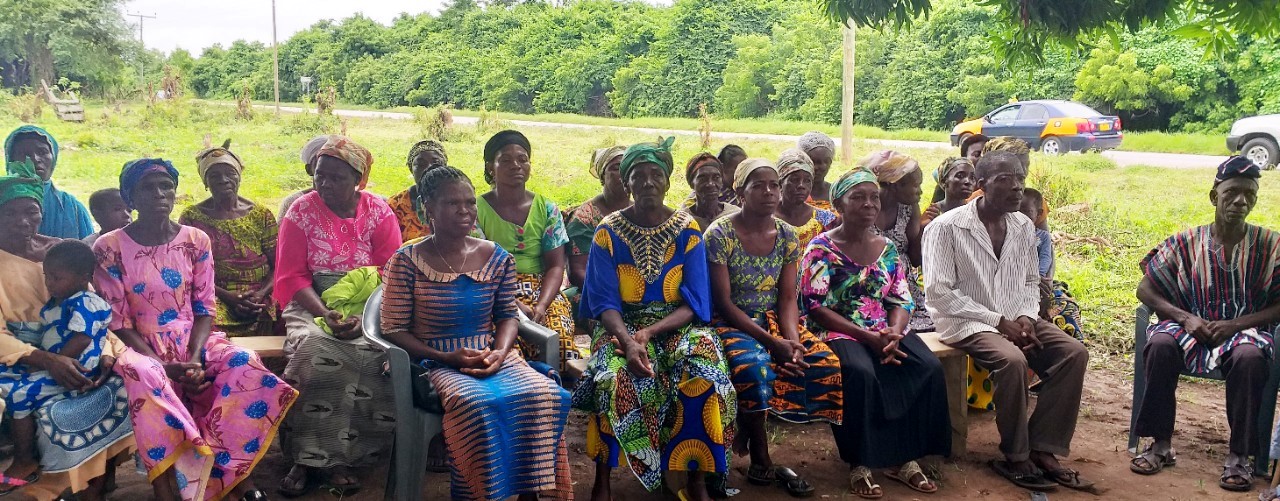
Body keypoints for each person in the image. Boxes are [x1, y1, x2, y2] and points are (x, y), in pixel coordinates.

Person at [94, 158, 296, 501]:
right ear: (130, 198)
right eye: (148, 187)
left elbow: (204, 308)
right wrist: (162, 363)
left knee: (244, 362)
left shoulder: (195, 239)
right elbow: (119, 321)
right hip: (136, 342)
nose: (159, 194)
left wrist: (194, 357)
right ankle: (166, 486)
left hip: (193, 339)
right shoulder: (110, 247)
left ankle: (229, 471)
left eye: (166, 186)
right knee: (147, 375)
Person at [381, 166, 573, 500]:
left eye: (470, 203)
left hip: (491, 353)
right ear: (428, 208)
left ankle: (530, 494)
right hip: (436, 362)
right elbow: (394, 328)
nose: (465, 211)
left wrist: (500, 352)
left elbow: (507, 315)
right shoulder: (407, 261)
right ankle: (483, 493)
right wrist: (444, 356)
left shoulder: (497, 257)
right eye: (452, 203)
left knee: (545, 394)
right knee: (475, 403)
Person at [574, 137, 736, 501]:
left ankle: (695, 478)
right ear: (625, 182)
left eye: (655, 175)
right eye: (638, 176)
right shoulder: (607, 232)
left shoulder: (687, 230)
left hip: (676, 324)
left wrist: (649, 332)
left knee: (704, 375)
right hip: (619, 327)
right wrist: (630, 341)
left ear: (667, 181)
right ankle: (603, 480)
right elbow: (603, 301)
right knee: (615, 378)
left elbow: (694, 303)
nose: (647, 182)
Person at [922, 151, 1091, 492]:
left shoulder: (1023, 225)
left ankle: (1044, 447)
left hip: (1015, 316)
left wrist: (1027, 317)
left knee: (1073, 353)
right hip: (964, 320)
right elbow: (940, 293)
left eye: (1020, 179)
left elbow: (1031, 281)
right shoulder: (946, 227)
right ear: (982, 186)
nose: (1017, 188)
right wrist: (998, 321)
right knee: (1012, 360)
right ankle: (1016, 454)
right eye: (1005, 180)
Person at [1130, 156, 1280, 493]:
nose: (1240, 201)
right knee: (1160, 345)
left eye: (1249, 194)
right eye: (1232, 193)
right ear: (1215, 196)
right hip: (1189, 324)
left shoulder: (1271, 246)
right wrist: (1184, 317)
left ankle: (1239, 456)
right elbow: (1145, 288)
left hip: (1245, 330)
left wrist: (1235, 324)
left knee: (1250, 358)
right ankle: (1160, 444)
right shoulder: (1186, 242)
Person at [801, 169, 950, 499]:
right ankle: (861, 463)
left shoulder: (887, 248)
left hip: (884, 327)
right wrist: (867, 337)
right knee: (860, 372)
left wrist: (895, 333)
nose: (868, 203)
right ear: (839, 204)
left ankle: (905, 459)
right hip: (838, 327)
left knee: (925, 367)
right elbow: (814, 305)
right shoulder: (821, 248)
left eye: (873, 197)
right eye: (858, 197)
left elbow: (900, 297)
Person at [273, 136, 401, 496]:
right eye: (319, 175)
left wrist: (365, 316)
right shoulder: (300, 212)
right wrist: (326, 313)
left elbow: (389, 272)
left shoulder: (378, 212)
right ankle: (305, 457)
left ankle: (347, 457)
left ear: (358, 180)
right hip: (312, 299)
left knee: (376, 354)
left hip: (368, 302)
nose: (325, 184)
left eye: (336, 178)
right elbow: (292, 276)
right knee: (314, 350)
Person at [706, 158, 842, 497]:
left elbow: (786, 299)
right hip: (730, 322)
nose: (769, 192)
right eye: (758, 185)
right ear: (739, 191)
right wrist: (772, 343)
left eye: (773, 185)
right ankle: (760, 453)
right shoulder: (720, 234)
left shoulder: (785, 235)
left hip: (774, 321)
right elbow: (724, 303)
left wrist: (792, 342)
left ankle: (749, 428)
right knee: (753, 368)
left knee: (824, 364)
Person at [0, 160, 132, 501]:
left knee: (120, 384)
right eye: (9, 214)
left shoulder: (62, 253)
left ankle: (96, 483)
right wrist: (46, 359)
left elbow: (95, 314)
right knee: (30, 400)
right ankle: (43, 472)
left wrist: (106, 353)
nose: (23, 221)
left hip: (75, 350)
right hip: (19, 357)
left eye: (31, 211)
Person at [2, 240, 114, 489]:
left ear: (83, 276)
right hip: (58, 365)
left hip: (75, 371)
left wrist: (52, 362)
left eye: (56, 278)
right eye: (46, 276)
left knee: (18, 393)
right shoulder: (62, 300)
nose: (49, 283)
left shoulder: (86, 302)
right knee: (7, 377)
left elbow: (82, 338)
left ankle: (24, 460)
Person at [472, 130, 578, 371]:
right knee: (508, 353)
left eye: (522, 159)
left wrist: (541, 305)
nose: (516, 166)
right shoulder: (476, 209)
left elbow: (555, 265)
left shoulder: (547, 208)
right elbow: (478, 268)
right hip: (494, 289)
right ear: (491, 167)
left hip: (543, 289)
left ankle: (552, 391)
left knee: (560, 346)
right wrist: (514, 304)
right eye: (506, 160)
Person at [178, 143, 278, 337]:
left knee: (283, 319)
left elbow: (279, 264)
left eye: (230, 173)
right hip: (214, 293)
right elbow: (188, 271)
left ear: (239, 176)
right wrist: (229, 297)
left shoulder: (261, 214)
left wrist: (260, 294)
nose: (223, 180)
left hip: (260, 293)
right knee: (206, 324)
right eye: (214, 175)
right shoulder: (192, 217)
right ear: (205, 182)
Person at [861, 150, 932, 333]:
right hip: (867, 286)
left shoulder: (909, 208)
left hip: (902, 286)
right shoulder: (864, 206)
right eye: (916, 185)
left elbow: (915, 259)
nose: (921, 191)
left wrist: (924, 229)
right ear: (896, 185)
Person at [5, 125, 94, 239]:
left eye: (42, 152)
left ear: (54, 157)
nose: (35, 158)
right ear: (11, 160)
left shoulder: (71, 208)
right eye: (25, 154)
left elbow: (87, 252)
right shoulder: (2, 200)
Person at [1019, 188, 1083, 340]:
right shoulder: (1006, 232)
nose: (1020, 216)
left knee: (1066, 306)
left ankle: (1072, 347)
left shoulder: (1042, 237)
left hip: (1040, 280)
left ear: (1039, 214)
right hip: (1014, 284)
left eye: (1026, 211)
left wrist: (1040, 278)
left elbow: (1046, 258)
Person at [567, 146, 629, 290]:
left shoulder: (641, 210)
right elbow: (577, 272)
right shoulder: (585, 217)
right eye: (616, 168)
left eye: (628, 168)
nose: (623, 173)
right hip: (593, 288)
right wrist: (611, 294)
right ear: (602, 176)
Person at [774, 148, 837, 249]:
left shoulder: (825, 219)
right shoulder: (766, 218)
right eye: (794, 180)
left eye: (807, 181)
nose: (801, 186)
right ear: (780, 182)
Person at [387, 140, 448, 241]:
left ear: (445, 167)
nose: (429, 168)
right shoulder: (395, 205)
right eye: (420, 164)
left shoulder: (458, 200)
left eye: (436, 162)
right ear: (411, 169)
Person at [683, 153, 741, 231]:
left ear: (721, 181)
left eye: (716, 177)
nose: (710, 184)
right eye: (702, 179)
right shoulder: (682, 222)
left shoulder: (735, 215)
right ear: (691, 184)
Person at [278, 135, 330, 219]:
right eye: (321, 173)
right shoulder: (292, 203)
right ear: (309, 169)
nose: (328, 182)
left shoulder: (353, 204)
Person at [923, 157, 976, 227]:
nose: (968, 181)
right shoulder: (932, 213)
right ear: (943, 181)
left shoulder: (974, 211)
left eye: (972, 177)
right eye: (960, 176)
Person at [797, 131, 836, 211]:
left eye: (827, 161)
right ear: (802, 161)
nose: (822, 166)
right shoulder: (794, 194)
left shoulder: (836, 194)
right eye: (815, 161)